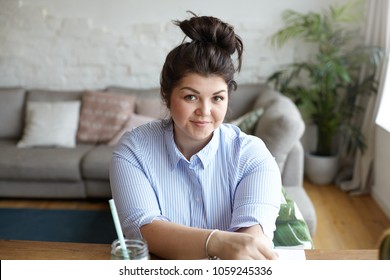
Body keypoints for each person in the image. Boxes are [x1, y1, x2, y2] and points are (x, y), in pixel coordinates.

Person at [110, 12, 282, 260]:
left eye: (217, 98)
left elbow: (252, 240)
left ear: (227, 98)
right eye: (191, 96)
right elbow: (142, 229)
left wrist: (240, 247)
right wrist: (217, 242)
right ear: (167, 97)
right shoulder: (134, 149)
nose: (205, 111)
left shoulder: (251, 155)